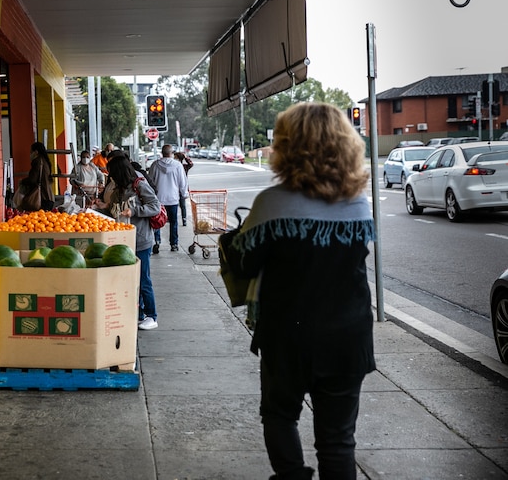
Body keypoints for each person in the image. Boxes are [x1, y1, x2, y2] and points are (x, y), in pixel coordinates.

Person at [223, 102, 376, 480]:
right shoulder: (358, 204)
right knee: (339, 440)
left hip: (288, 335)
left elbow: (244, 264)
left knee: (279, 416)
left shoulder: (272, 203)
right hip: (348, 336)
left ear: (288, 146)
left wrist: (233, 240)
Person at [95, 155, 161, 330]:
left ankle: (151, 315)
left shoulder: (139, 185)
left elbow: (155, 206)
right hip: (123, 240)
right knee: (131, 279)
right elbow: (115, 212)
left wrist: (134, 211)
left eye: (113, 174)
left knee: (143, 279)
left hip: (141, 240)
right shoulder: (119, 190)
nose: (111, 178)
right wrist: (103, 208)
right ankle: (137, 314)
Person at [147, 144, 188, 253]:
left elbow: (149, 182)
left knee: (156, 221)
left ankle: (156, 241)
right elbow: (182, 182)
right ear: (172, 153)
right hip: (173, 199)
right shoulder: (178, 165)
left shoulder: (155, 165)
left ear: (162, 153)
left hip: (158, 199)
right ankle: (174, 244)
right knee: (174, 222)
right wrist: (184, 194)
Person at [22, 141, 55, 211]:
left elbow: (32, 179)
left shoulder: (37, 162)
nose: (30, 154)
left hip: (41, 198)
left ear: (36, 152)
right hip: (48, 197)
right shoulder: (45, 161)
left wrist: (23, 182)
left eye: (31, 152)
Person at [174, 151, 194, 226]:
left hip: (182, 188)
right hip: (175, 188)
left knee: (183, 205)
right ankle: (173, 218)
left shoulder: (184, 166)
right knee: (175, 205)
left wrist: (185, 157)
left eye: (175, 157)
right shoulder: (173, 166)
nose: (174, 159)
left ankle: (184, 219)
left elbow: (191, 164)